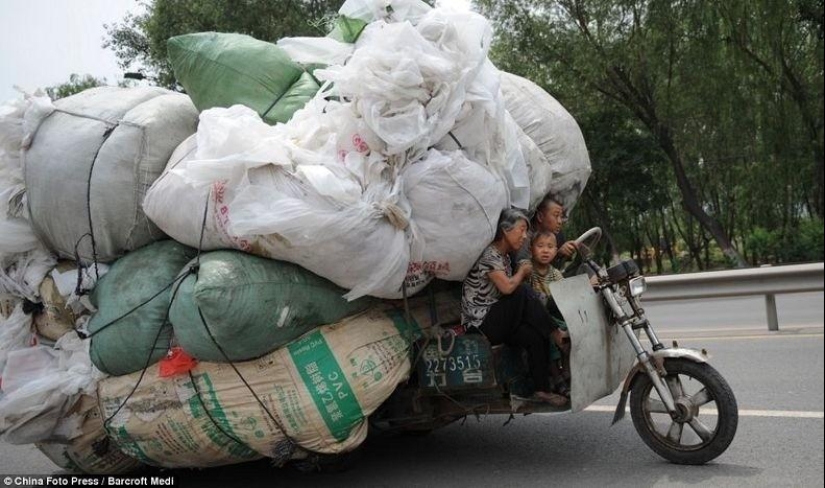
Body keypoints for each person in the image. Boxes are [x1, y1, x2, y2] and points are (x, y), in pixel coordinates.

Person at [461, 208, 569, 407]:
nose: (525, 236)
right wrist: (521, 273)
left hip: (498, 320)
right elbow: (507, 287)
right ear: (505, 230)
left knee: (535, 335)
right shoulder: (489, 256)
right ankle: (556, 334)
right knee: (522, 290)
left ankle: (542, 390)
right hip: (480, 325)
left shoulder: (505, 257)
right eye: (521, 230)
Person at [521, 230, 571, 396]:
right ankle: (556, 377)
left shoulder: (555, 274)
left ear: (556, 251)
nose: (545, 250)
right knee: (548, 336)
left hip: (553, 315)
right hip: (536, 318)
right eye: (540, 246)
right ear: (531, 249)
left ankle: (567, 371)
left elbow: (564, 294)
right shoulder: (529, 272)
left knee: (569, 329)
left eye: (550, 247)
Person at [515, 194, 577, 270]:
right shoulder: (525, 239)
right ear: (540, 217)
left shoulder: (557, 235)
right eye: (556, 215)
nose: (560, 221)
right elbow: (527, 271)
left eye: (561, 216)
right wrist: (557, 254)